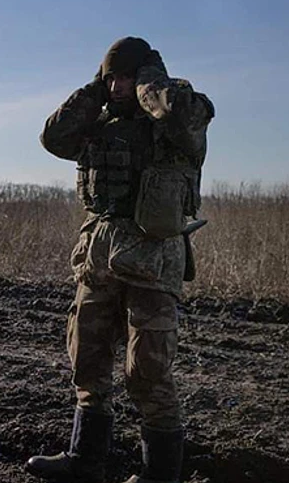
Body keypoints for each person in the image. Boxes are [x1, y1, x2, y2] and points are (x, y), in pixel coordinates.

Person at [25, 37, 215, 483]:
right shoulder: (100, 121)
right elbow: (53, 137)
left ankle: (159, 476)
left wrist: (150, 81)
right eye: (110, 77)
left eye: (125, 77)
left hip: (152, 260)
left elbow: (175, 112)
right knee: (87, 359)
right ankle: (85, 461)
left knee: (147, 370)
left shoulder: (180, 114)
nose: (116, 86)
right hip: (98, 255)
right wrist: (95, 90)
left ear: (146, 75)